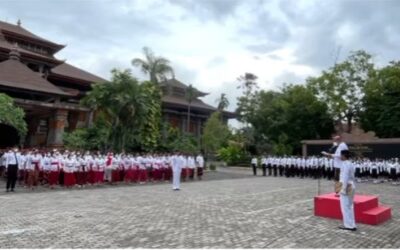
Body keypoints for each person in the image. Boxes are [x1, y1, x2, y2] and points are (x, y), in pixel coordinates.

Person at [338, 149, 357, 231]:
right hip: (351, 185)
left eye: (341, 155)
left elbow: (345, 177)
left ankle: (348, 225)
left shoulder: (345, 164)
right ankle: (352, 224)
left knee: (345, 207)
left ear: (343, 155)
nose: (340, 156)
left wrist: (343, 189)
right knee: (350, 206)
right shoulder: (350, 163)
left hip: (346, 186)